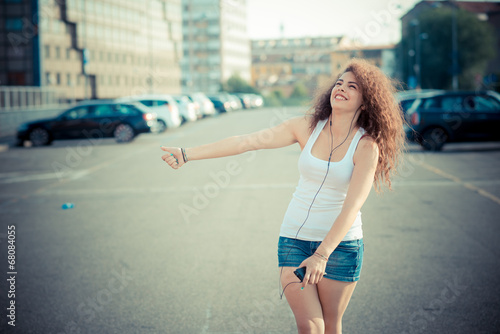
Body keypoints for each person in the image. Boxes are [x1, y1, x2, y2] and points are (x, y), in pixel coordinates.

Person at [160, 58, 405, 334]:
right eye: (339, 83)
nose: (342, 88)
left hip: (340, 249)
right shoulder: (305, 127)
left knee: (331, 326)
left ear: (365, 101)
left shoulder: (366, 146)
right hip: (294, 240)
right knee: (310, 328)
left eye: (352, 86)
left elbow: (352, 206)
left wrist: (322, 254)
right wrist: (187, 154)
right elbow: (246, 142)